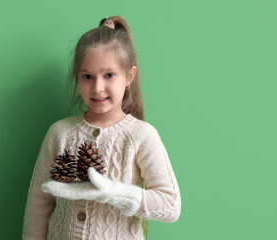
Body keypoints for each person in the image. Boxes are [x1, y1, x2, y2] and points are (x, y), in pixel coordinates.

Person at [22, 16, 181, 240]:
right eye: (87, 76)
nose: (97, 87)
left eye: (109, 75)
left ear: (129, 76)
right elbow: (38, 204)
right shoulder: (60, 133)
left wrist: (115, 193)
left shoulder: (141, 135)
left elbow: (170, 205)